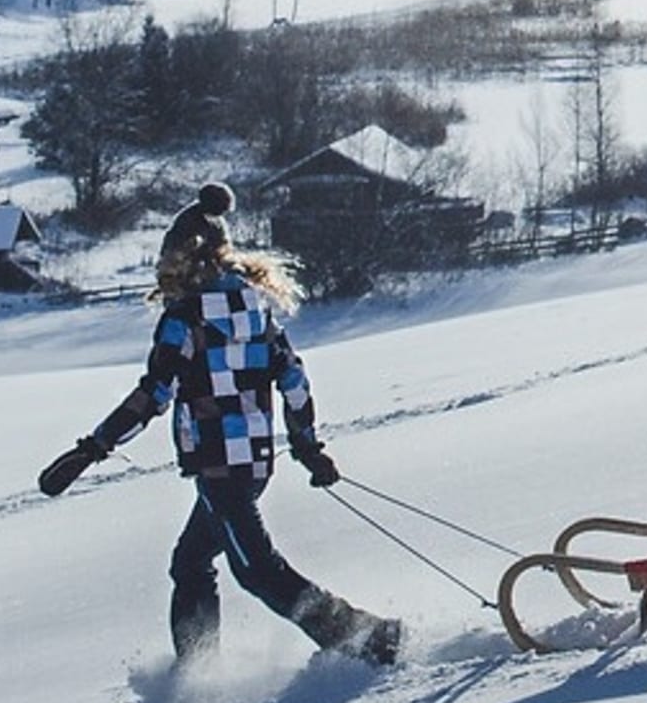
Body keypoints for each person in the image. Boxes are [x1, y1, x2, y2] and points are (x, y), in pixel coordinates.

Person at [34, 184, 401, 665]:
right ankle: (198, 674)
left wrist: (93, 447)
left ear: (182, 257)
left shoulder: (182, 319)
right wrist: (308, 447)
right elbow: (293, 378)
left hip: (218, 465)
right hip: (254, 461)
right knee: (190, 564)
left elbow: (154, 394)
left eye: (166, 258)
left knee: (258, 573)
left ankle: (370, 639)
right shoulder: (253, 305)